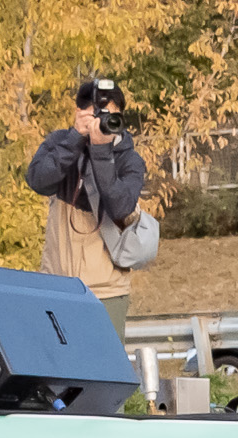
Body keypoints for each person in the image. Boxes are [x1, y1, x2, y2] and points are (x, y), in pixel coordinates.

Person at [26, 79, 149, 337]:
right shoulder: (61, 143)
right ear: (79, 113)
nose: (103, 122)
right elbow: (38, 181)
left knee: (104, 372)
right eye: (96, 114)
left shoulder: (129, 160)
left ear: (121, 117)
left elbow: (120, 207)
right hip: (56, 285)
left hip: (106, 291)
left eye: (110, 115)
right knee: (58, 370)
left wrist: (101, 152)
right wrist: (74, 140)